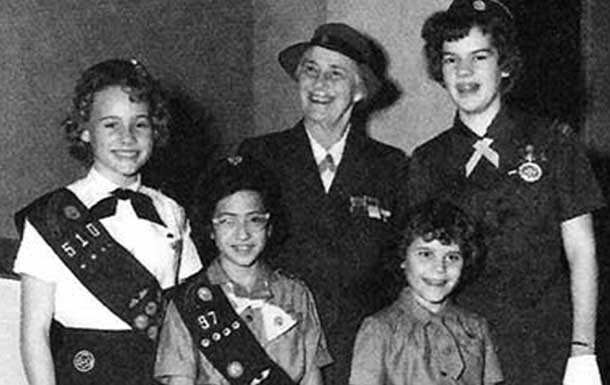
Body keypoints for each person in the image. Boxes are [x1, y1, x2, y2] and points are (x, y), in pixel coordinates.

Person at [407, 1, 604, 384]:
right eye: (451, 60)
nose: (464, 72)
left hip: (541, 348)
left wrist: (583, 352)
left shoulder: (555, 145)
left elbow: (582, 253)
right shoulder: (426, 161)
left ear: (506, 64)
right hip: (458, 353)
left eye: (479, 56)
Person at [12, 59, 202, 385]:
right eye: (111, 125)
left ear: (155, 131)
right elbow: (35, 332)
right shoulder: (51, 216)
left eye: (140, 124)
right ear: (85, 130)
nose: (127, 137)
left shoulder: (172, 211)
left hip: (153, 371)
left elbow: (186, 319)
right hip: (81, 369)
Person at [237, 23, 408, 385]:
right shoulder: (258, 157)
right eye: (310, 71)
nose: (319, 85)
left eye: (335, 74)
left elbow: (400, 271)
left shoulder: (391, 167)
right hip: (276, 349)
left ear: (359, 90)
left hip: (362, 357)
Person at [154, 156, 332, 385]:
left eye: (254, 220)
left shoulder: (296, 294)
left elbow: (311, 377)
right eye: (228, 221)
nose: (243, 234)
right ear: (210, 228)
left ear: (269, 227)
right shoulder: (188, 302)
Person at [350, 199, 503, 385]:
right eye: (426, 254)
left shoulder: (475, 327)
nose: (440, 268)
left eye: (452, 257)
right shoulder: (380, 329)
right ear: (402, 258)